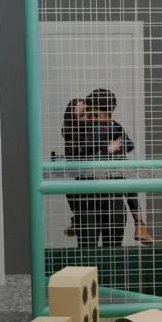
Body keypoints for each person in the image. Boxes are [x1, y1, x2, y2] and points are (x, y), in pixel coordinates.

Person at [76, 88, 153, 248]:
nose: (89, 116)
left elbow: (127, 146)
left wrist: (112, 153)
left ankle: (140, 224)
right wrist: (107, 150)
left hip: (111, 191)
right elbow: (81, 155)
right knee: (89, 249)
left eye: (91, 112)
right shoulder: (90, 128)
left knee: (111, 249)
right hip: (92, 193)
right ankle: (139, 223)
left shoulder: (110, 127)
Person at [60, 98, 89, 238]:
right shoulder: (71, 135)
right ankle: (78, 218)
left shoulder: (99, 128)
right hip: (81, 182)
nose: (87, 115)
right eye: (81, 114)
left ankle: (77, 219)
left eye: (88, 111)